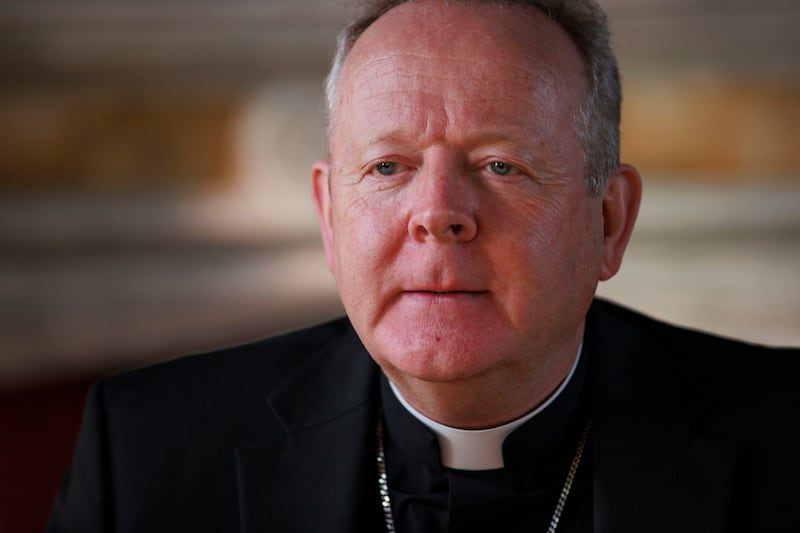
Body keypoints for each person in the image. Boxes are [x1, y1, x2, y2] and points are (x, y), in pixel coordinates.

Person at [48, 1, 800, 531]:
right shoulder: (151, 452)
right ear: (329, 218)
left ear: (608, 220)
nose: (438, 210)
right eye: (386, 167)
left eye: (502, 164)